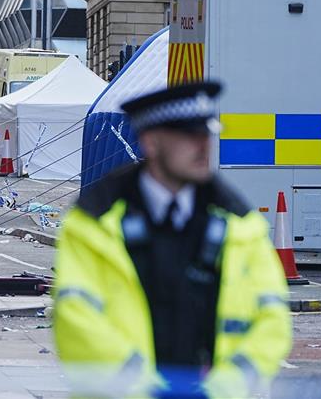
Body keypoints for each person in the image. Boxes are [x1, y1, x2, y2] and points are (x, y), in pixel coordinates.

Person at [53, 82, 291, 398]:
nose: (204, 146)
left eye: (206, 134)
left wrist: (225, 387)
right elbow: (75, 320)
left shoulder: (240, 225)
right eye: (189, 136)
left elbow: (272, 319)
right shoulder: (92, 224)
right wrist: (142, 387)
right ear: (151, 143)